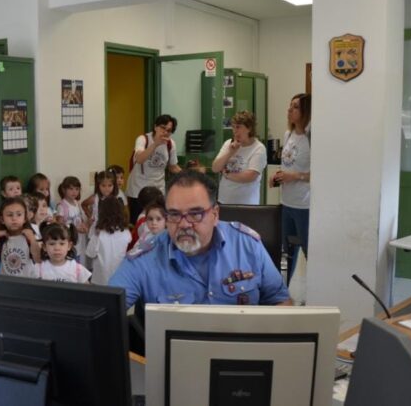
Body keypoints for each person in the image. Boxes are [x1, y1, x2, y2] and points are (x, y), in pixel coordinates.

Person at [110, 169, 291, 309]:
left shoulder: (246, 245)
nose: (184, 224)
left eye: (195, 214)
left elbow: (282, 303)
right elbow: (106, 311)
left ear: (215, 214)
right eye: (174, 214)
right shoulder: (146, 257)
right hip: (176, 356)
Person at [270, 93, 311, 283]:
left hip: (304, 205)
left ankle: (316, 292)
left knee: (309, 251)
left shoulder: (312, 138)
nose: (289, 110)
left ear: (305, 111)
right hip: (286, 202)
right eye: (290, 105)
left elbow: (321, 175)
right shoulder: (288, 135)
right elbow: (288, 164)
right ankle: (282, 291)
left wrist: (294, 176)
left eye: (295, 107)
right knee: (286, 252)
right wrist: (278, 175)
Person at [125, 114, 182, 224]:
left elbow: (173, 166)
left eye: (169, 130)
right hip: (138, 190)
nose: (165, 132)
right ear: (155, 127)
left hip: (158, 190)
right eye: (162, 128)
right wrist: (155, 144)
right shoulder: (143, 139)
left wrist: (189, 175)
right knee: (138, 222)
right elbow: (140, 159)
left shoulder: (170, 144)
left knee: (157, 223)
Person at [212, 111, 267, 205]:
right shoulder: (228, 143)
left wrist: (227, 174)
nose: (234, 131)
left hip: (246, 204)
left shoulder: (259, 148)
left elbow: (250, 176)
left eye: (238, 127)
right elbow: (215, 168)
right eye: (233, 127)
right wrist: (230, 152)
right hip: (224, 201)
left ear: (249, 128)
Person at [0, 197, 40, 278]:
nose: (14, 218)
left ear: (25, 218)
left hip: (28, 283)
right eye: (9, 215)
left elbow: (38, 259)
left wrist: (32, 239)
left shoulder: (29, 236)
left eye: (19, 214)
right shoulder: (1, 238)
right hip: (6, 284)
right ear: (2, 219)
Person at [86, 196, 131, 285]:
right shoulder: (126, 233)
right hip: (120, 276)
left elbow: (90, 253)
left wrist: (95, 235)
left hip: (100, 279)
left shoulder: (99, 234)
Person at [56, 176, 88, 261]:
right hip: (70, 240)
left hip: (80, 239)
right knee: (72, 259)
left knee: (79, 258)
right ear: (64, 190)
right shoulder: (62, 206)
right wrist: (75, 229)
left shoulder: (76, 203)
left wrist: (84, 225)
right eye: (71, 189)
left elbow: (80, 218)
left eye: (77, 189)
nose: (74, 192)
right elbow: (60, 226)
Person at [81, 169, 119, 235]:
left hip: (110, 228)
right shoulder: (95, 198)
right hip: (96, 229)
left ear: (114, 185)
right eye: (103, 186)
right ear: (98, 185)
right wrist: (90, 215)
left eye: (110, 185)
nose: (106, 188)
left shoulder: (115, 199)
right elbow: (83, 204)